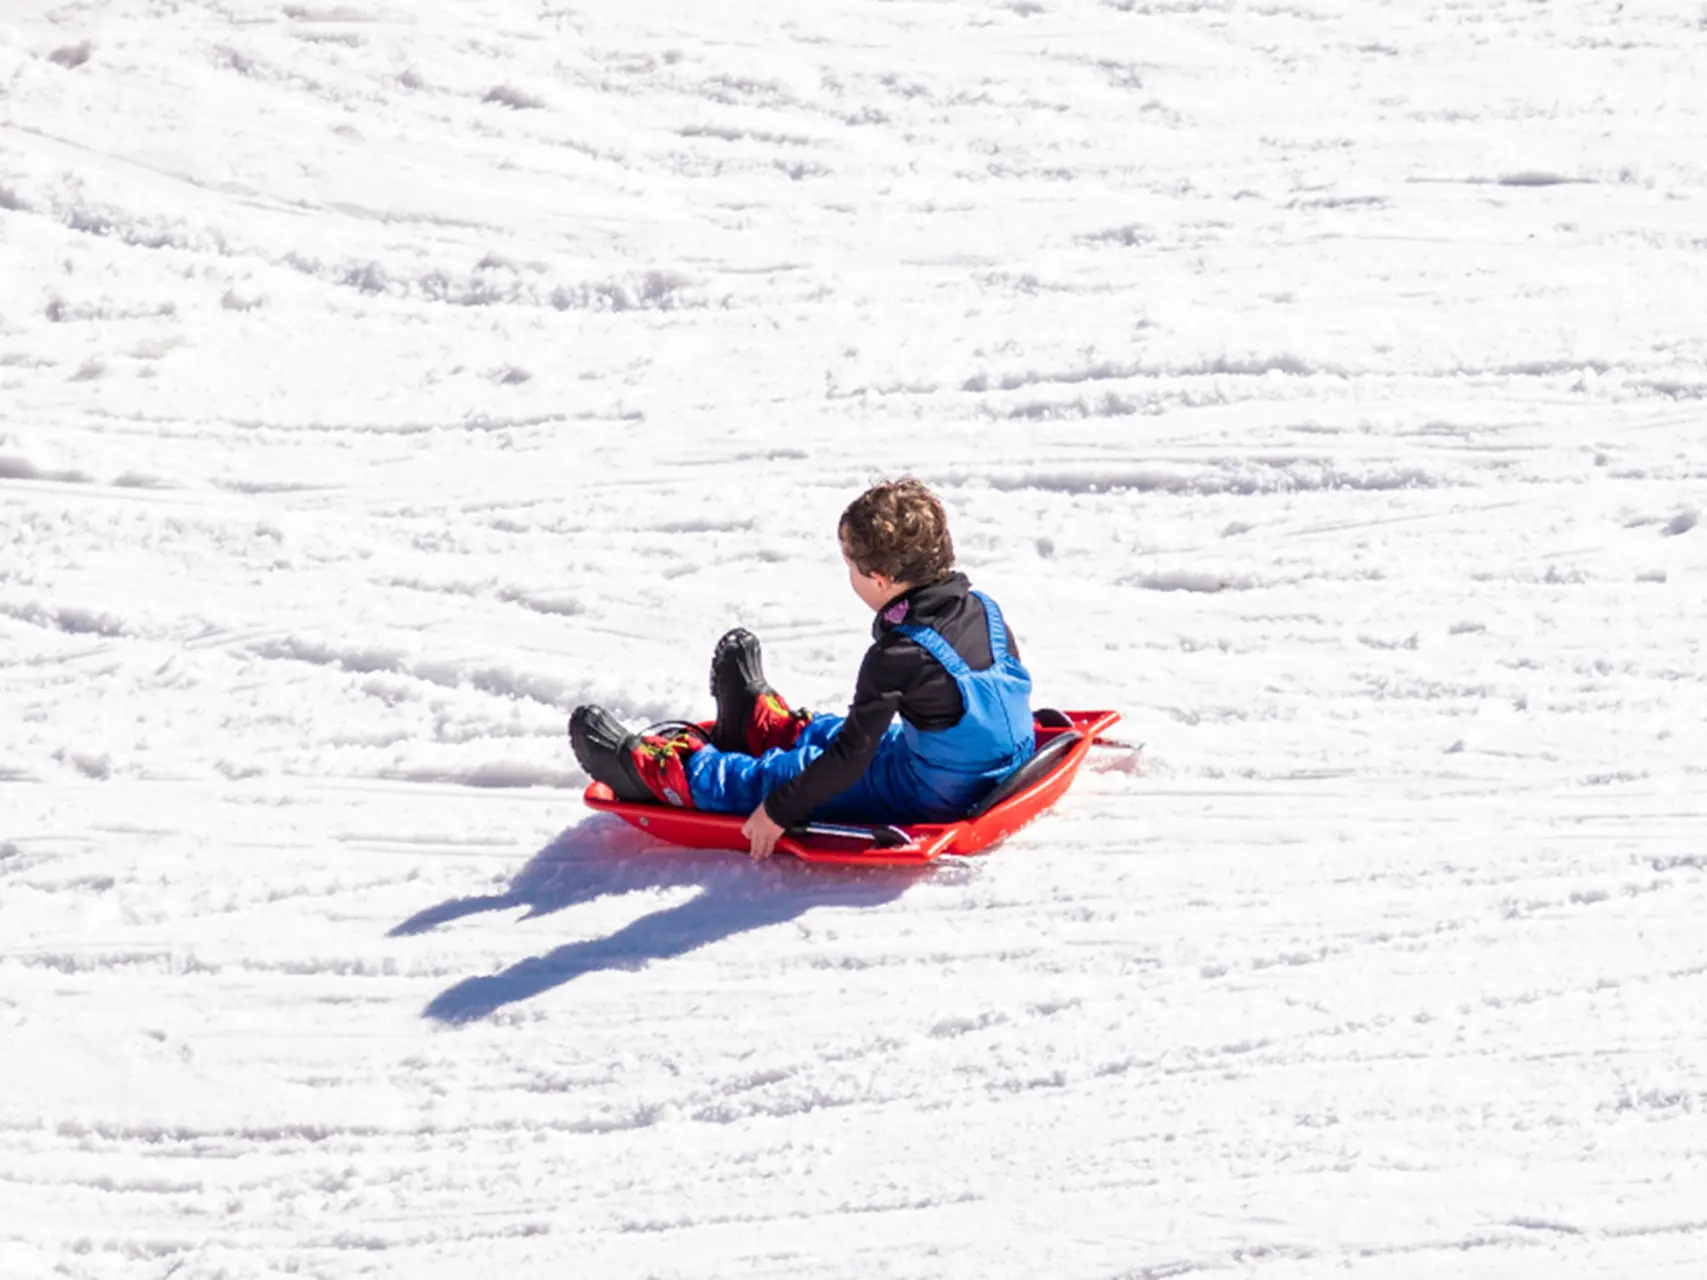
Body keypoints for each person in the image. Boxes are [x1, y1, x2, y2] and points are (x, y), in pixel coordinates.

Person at [569, 478, 1034, 859]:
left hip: (933, 792)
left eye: (849, 565)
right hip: (977, 763)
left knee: (782, 776)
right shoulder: (982, 608)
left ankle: (667, 778)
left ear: (881, 580)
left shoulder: (897, 656)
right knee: (843, 734)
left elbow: (850, 760)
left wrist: (778, 809)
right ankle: (767, 729)